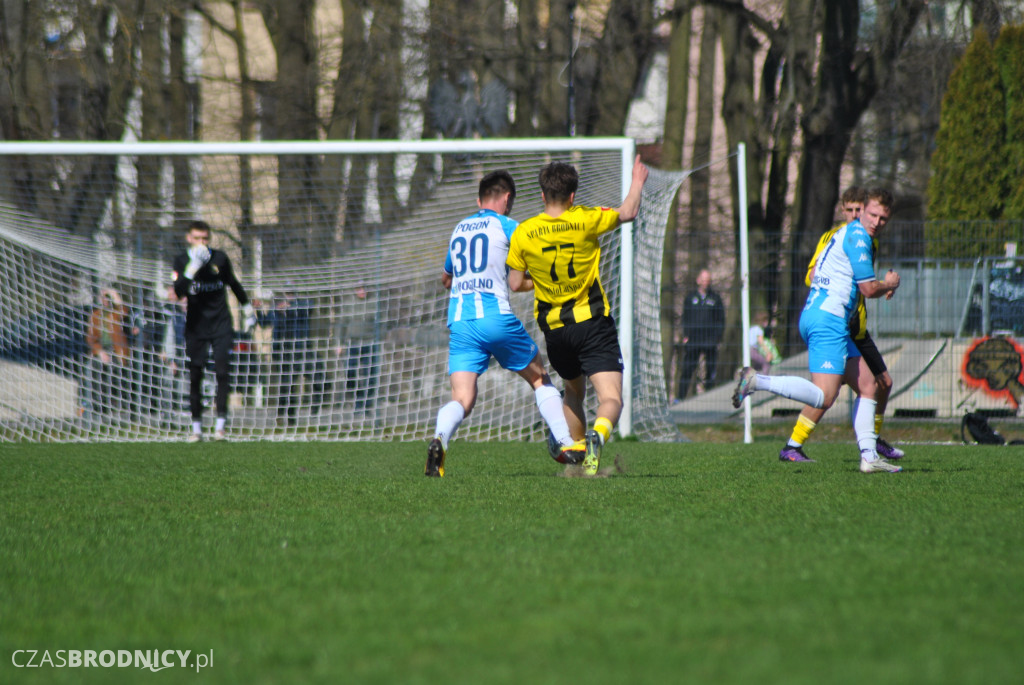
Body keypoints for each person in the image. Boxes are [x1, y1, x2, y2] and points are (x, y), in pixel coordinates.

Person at [732, 187, 903, 474]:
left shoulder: (845, 233)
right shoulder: (859, 238)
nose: (876, 222)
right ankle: (756, 381)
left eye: (883, 218)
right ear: (862, 210)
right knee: (825, 396)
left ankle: (869, 456)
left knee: (868, 384)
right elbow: (868, 288)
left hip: (823, 315)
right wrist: (890, 284)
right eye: (872, 214)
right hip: (829, 319)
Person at [425, 170, 581, 477]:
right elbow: (536, 257)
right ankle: (567, 443)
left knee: (462, 398)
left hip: (461, 323)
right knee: (540, 380)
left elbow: (446, 279)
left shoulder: (459, 229)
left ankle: (439, 439)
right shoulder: (510, 226)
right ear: (507, 198)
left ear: (478, 199)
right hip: (495, 317)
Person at [506, 156, 649, 476]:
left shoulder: (524, 233)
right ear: (573, 196)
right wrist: (637, 180)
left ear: (543, 195)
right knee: (611, 397)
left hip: (556, 331)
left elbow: (515, 283)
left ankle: (580, 455)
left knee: (573, 391)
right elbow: (628, 211)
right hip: (592, 323)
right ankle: (598, 435)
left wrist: (540, 281)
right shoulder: (586, 218)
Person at [172, 219, 256, 442]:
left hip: (221, 324)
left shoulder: (219, 258)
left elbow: (234, 284)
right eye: (197, 238)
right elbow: (179, 292)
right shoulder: (182, 261)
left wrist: (248, 309)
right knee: (195, 375)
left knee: (222, 372)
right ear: (189, 238)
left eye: (205, 238)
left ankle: (220, 428)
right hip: (196, 326)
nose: (202, 242)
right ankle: (196, 428)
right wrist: (191, 269)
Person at [256, 286, 325, 425]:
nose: (290, 295)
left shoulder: (302, 308)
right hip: (283, 353)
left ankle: (315, 406)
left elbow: (310, 306)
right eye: (287, 293)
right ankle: (286, 416)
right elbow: (264, 323)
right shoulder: (276, 310)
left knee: (318, 377)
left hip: (301, 351)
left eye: (292, 293)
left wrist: (291, 306)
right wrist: (258, 310)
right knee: (287, 385)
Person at [675, 269, 725, 400]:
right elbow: (685, 317)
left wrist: (718, 337)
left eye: (708, 280)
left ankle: (708, 397)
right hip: (693, 340)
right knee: (687, 368)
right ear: (698, 280)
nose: (705, 282)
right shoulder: (690, 298)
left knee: (710, 370)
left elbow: (720, 319)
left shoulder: (715, 299)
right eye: (703, 279)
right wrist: (686, 335)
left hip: (710, 340)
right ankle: (679, 398)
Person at [85, 288, 131, 415]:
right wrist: (100, 352)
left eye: (108, 298)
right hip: (102, 351)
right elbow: (91, 338)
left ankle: (120, 408)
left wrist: (114, 293)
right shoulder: (95, 316)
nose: (105, 300)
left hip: (117, 351)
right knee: (92, 369)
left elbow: (124, 311)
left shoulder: (116, 314)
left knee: (117, 374)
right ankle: (97, 408)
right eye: (103, 298)